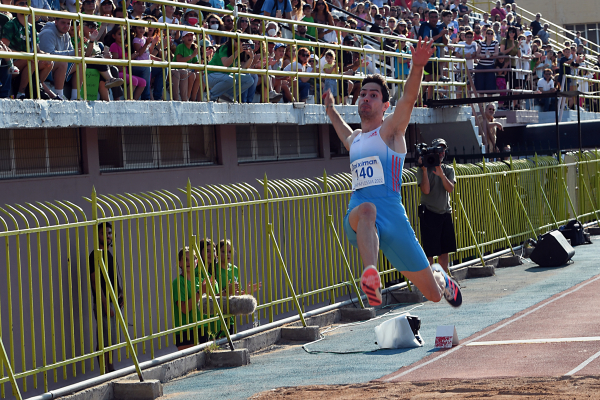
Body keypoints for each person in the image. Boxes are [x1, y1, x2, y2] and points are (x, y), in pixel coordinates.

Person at [324, 38, 462, 309]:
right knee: (366, 210)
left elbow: (409, 98)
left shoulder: (390, 132)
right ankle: (370, 276)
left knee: (433, 295)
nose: (366, 98)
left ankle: (439, 276)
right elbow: (341, 130)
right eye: (363, 94)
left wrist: (418, 67)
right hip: (360, 220)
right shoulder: (355, 139)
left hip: (394, 218)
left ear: (385, 106)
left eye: (373, 95)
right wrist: (330, 109)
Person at [416, 138, 457, 274]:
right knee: (430, 252)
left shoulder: (448, 169)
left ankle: (443, 279)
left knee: (444, 251)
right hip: (429, 213)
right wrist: (424, 168)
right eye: (438, 149)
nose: (441, 153)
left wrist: (441, 174)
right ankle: (431, 282)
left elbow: (450, 188)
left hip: (445, 213)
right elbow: (425, 190)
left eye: (443, 150)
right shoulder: (423, 169)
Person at [88, 222, 123, 373]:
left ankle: (111, 367)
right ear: (98, 236)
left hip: (113, 301)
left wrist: (120, 293)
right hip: (104, 302)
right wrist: (105, 305)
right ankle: (105, 369)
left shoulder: (108, 254)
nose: (108, 236)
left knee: (112, 337)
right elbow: (95, 282)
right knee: (104, 338)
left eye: (110, 233)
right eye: (104, 233)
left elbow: (113, 278)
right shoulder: (95, 255)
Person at [172, 246, 220, 350]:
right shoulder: (178, 282)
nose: (189, 262)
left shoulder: (200, 280)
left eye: (193, 258)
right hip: (186, 330)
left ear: (197, 261)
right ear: (180, 263)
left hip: (203, 327)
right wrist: (200, 292)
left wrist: (214, 289)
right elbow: (184, 309)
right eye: (185, 259)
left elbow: (212, 303)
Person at [206, 34, 257, 102]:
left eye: (245, 42)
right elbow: (226, 64)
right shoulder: (224, 48)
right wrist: (238, 51)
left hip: (225, 76)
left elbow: (243, 69)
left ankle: (227, 96)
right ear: (234, 41)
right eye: (242, 41)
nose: (243, 43)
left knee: (249, 80)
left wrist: (251, 57)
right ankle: (210, 96)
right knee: (231, 80)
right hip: (211, 75)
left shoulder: (238, 51)